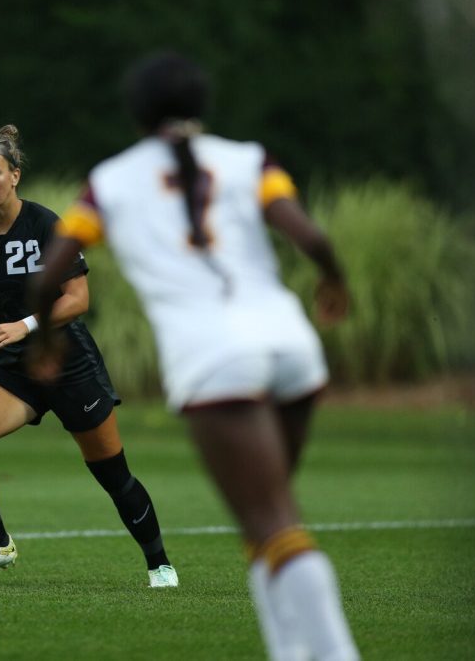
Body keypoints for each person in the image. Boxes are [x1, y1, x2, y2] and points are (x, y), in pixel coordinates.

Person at [29, 53, 359, 660]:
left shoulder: (109, 182)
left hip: (215, 362)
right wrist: (333, 281)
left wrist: (46, 340)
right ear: (201, 106)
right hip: (293, 347)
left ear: (136, 114)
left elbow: (49, 275)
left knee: (274, 523)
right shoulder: (250, 158)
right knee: (268, 521)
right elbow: (311, 237)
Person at [0, 125, 178, 588]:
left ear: (14, 175)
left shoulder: (45, 224)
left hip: (69, 362)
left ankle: (160, 565)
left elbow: (77, 298)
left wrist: (26, 324)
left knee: (112, 473)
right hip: (18, 369)